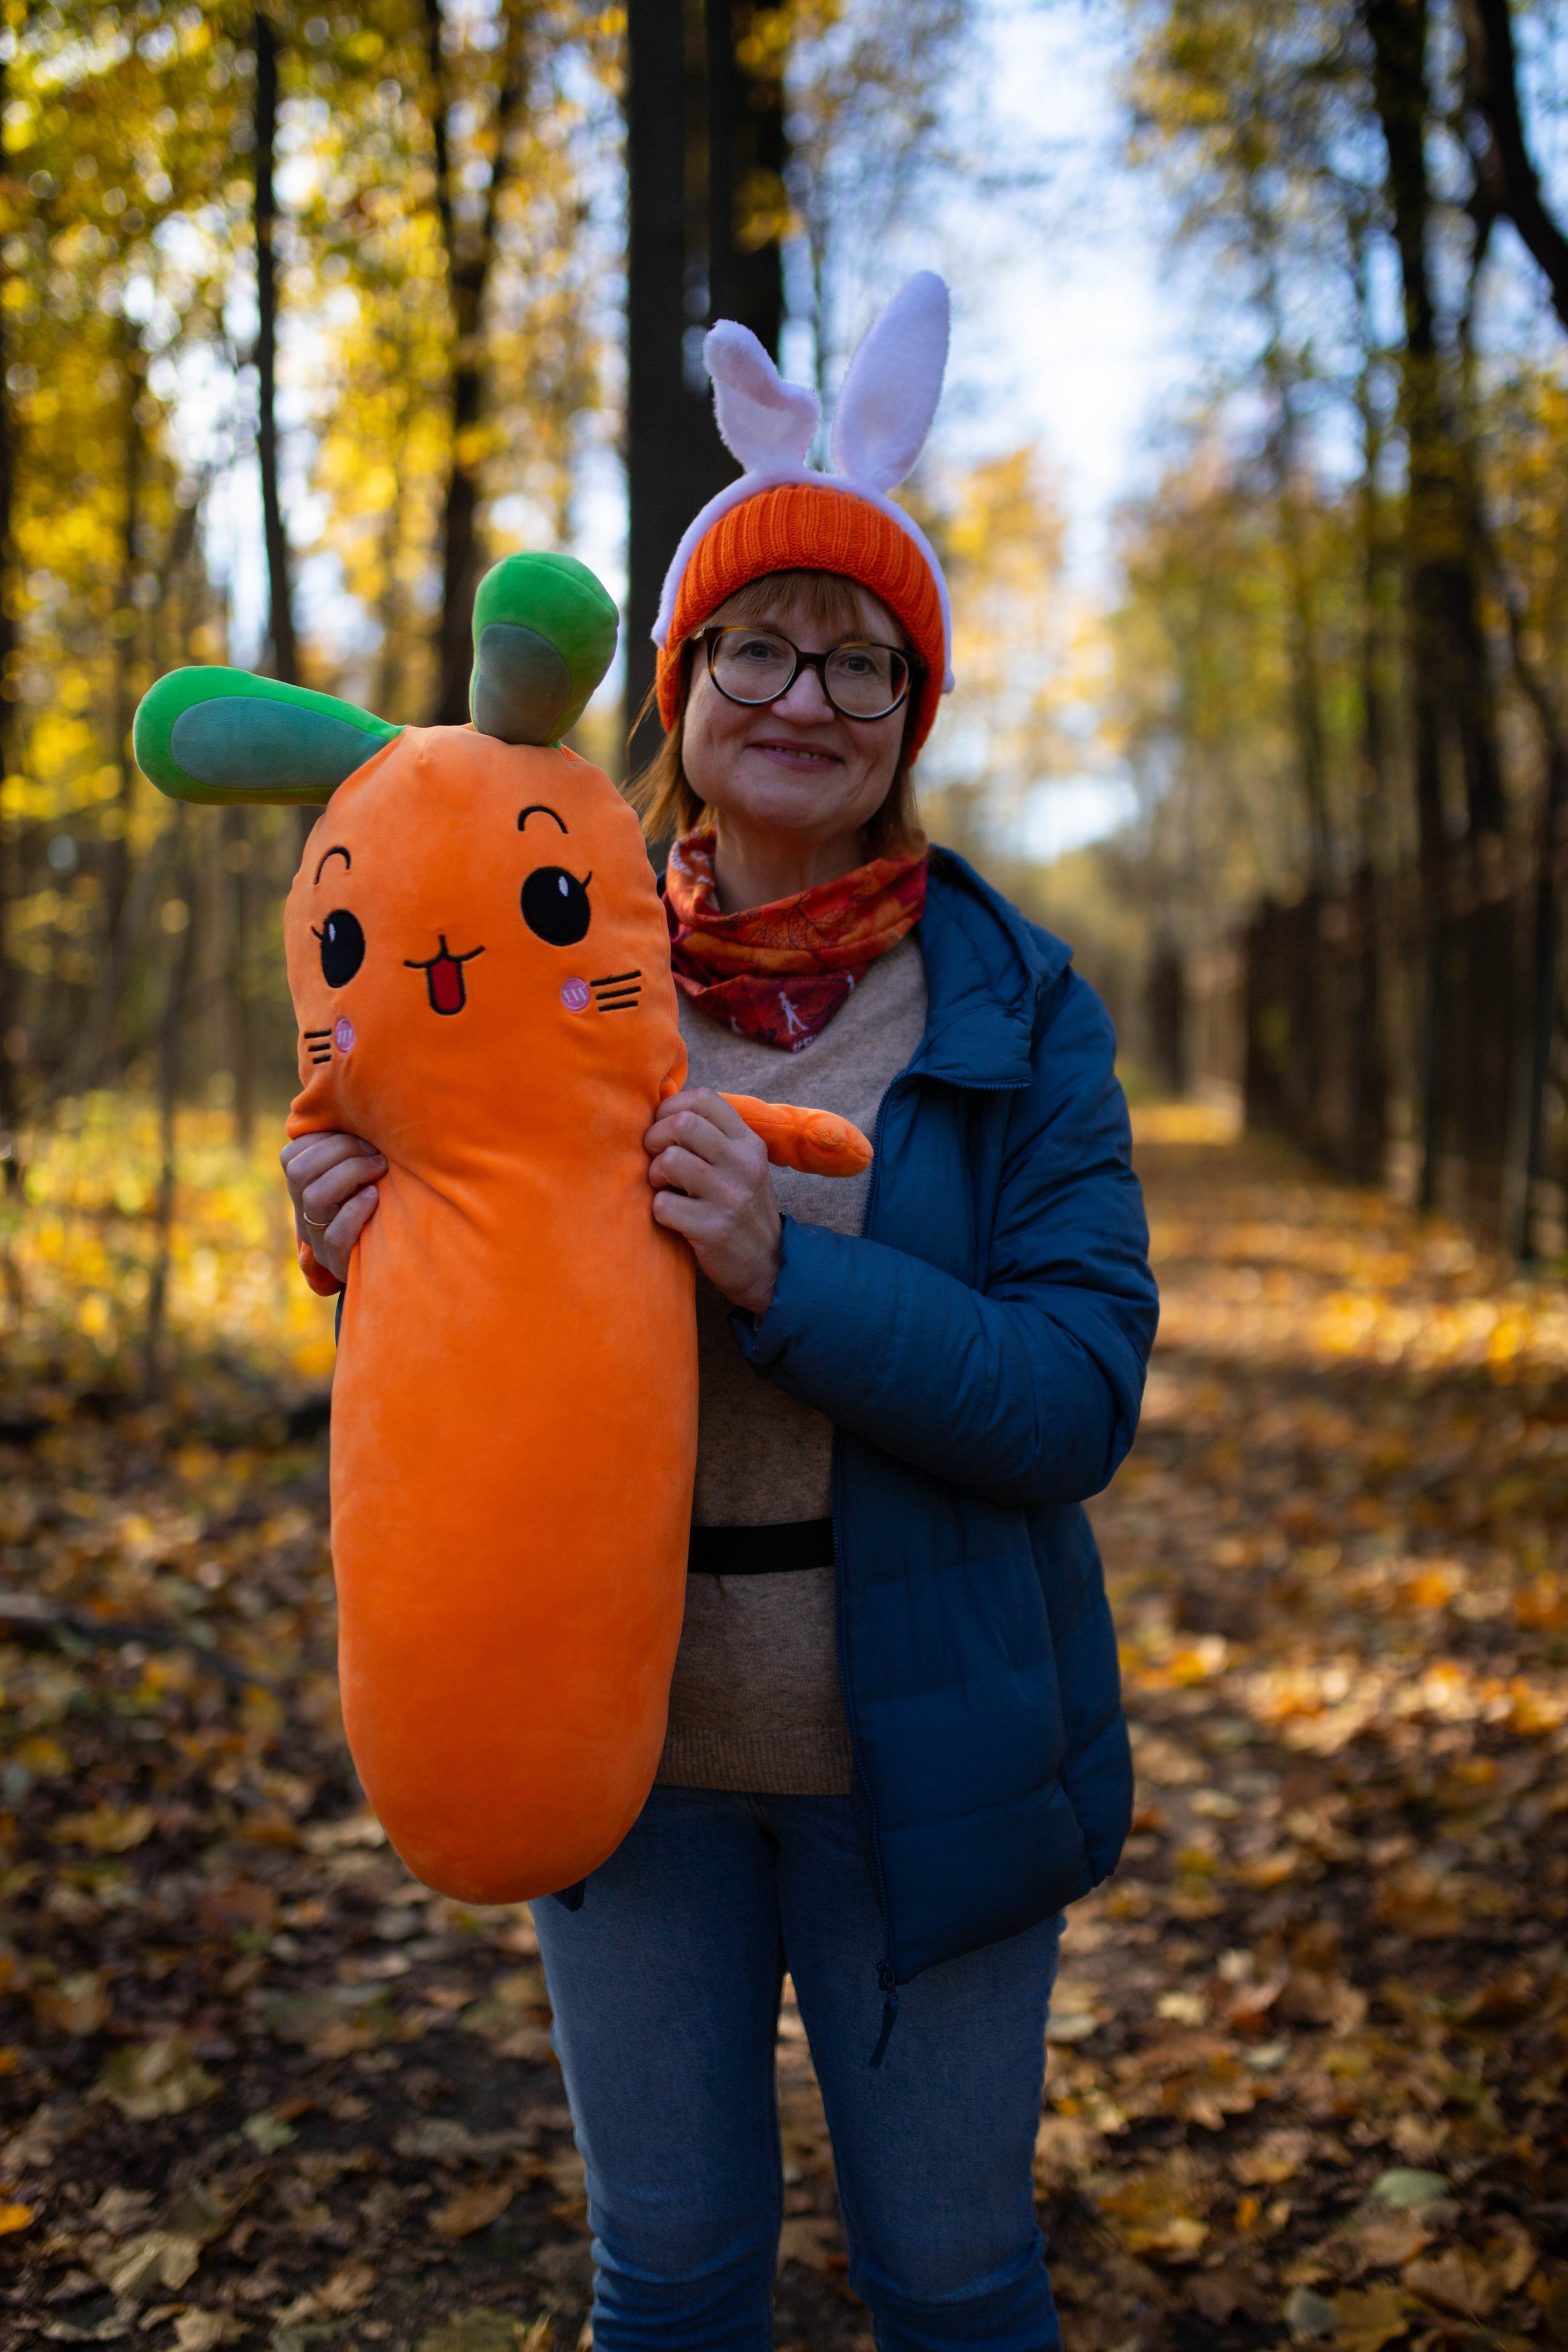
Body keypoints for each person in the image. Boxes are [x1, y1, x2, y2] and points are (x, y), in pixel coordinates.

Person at [281, 281, 1158, 2352]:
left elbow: (1076, 1393)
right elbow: (492, 1360)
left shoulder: (1019, 1008)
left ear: (914, 714)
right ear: (676, 686)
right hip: (619, 1743)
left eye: (864, 659)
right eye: (757, 644)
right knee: (666, 2281)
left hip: (930, 1753)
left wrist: (790, 1271)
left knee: (953, 2277)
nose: (806, 696)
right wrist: (364, 1253)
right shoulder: (528, 963)